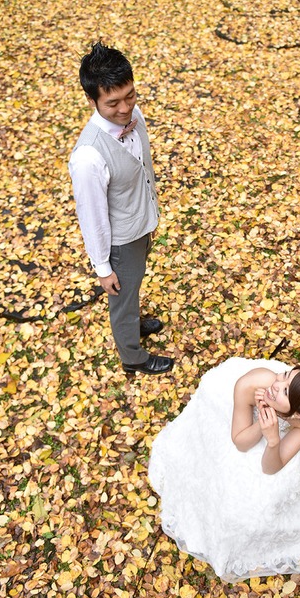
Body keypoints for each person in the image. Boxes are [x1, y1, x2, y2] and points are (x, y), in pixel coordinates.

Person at [147, 357, 300, 583]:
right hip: (228, 404)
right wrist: (261, 423)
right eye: (286, 374)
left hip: (274, 426)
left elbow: (271, 468)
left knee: (267, 494)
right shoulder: (254, 384)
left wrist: (273, 439)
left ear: (299, 415)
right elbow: (240, 442)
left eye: (285, 391)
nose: (276, 384)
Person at [68, 41, 173, 375]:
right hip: (120, 242)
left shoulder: (134, 114)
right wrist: (102, 267)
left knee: (134, 285)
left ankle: (133, 323)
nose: (125, 108)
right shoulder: (88, 157)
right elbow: (92, 216)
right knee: (122, 298)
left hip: (141, 222)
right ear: (92, 100)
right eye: (112, 103)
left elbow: (142, 167)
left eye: (130, 95)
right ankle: (133, 357)